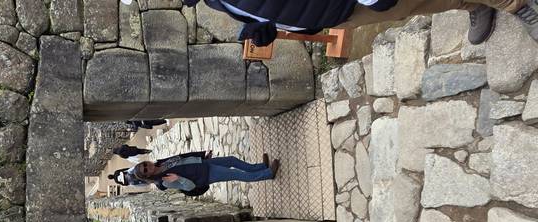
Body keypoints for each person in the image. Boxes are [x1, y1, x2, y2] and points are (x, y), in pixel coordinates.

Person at [182, 0, 538, 47]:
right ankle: (475, 5)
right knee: (411, 9)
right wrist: (263, 26)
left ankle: (516, 3)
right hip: (334, 12)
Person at [134, 151, 280, 193]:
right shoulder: (164, 181)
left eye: (145, 165)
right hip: (206, 174)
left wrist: (201, 157)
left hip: (202, 164)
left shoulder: (161, 163)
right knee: (237, 174)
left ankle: (260, 167)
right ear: (148, 176)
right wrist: (179, 178)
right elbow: (190, 187)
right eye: (145, 170)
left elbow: (183, 158)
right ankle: (268, 174)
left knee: (231, 160)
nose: (147, 167)